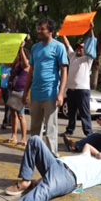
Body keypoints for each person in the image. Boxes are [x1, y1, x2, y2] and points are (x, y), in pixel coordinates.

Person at [23, 18, 69, 158]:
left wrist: (61, 93)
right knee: (35, 128)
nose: (39, 31)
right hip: (35, 95)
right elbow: (31, 71)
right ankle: (35, 154)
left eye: (42, 29)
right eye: (39, 28)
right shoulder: (35, 48)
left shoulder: (59, 47)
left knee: (51, 128)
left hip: (50, 95)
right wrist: (25, 92)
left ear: (51, 31)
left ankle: (52, 156)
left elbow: (64, 71)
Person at [61, 22, 97, 137]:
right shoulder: (72, 57)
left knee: (84, 113)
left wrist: (91, 29)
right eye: (78, 48)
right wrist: (62, 34)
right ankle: (70, 130)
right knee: (71, 113)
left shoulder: (88, 59)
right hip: (71, 91)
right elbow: (67, 45)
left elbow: (92, 41)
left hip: (82, 91)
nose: (78, 50)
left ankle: (88, 133)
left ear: (85, 50)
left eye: (81, 48)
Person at [7, 43, 30, 146]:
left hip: (21, 91)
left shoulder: (27, 63)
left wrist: (21, 48)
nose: (19, 55)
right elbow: (6, 64)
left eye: (21, 53)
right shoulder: (16, 63)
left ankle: (24, 138)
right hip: (14, 90)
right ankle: (14, 136)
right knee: (13, 114)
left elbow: (25, 64)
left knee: (21, 115)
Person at [0, 63, 12, 130]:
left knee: (7, 105)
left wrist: (7, 76)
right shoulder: (2, 67)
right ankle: (10, 120)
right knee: (7, 105)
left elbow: (13, 74)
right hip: (3, 87)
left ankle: (5, 121)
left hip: (8, 88)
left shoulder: (12, 67)